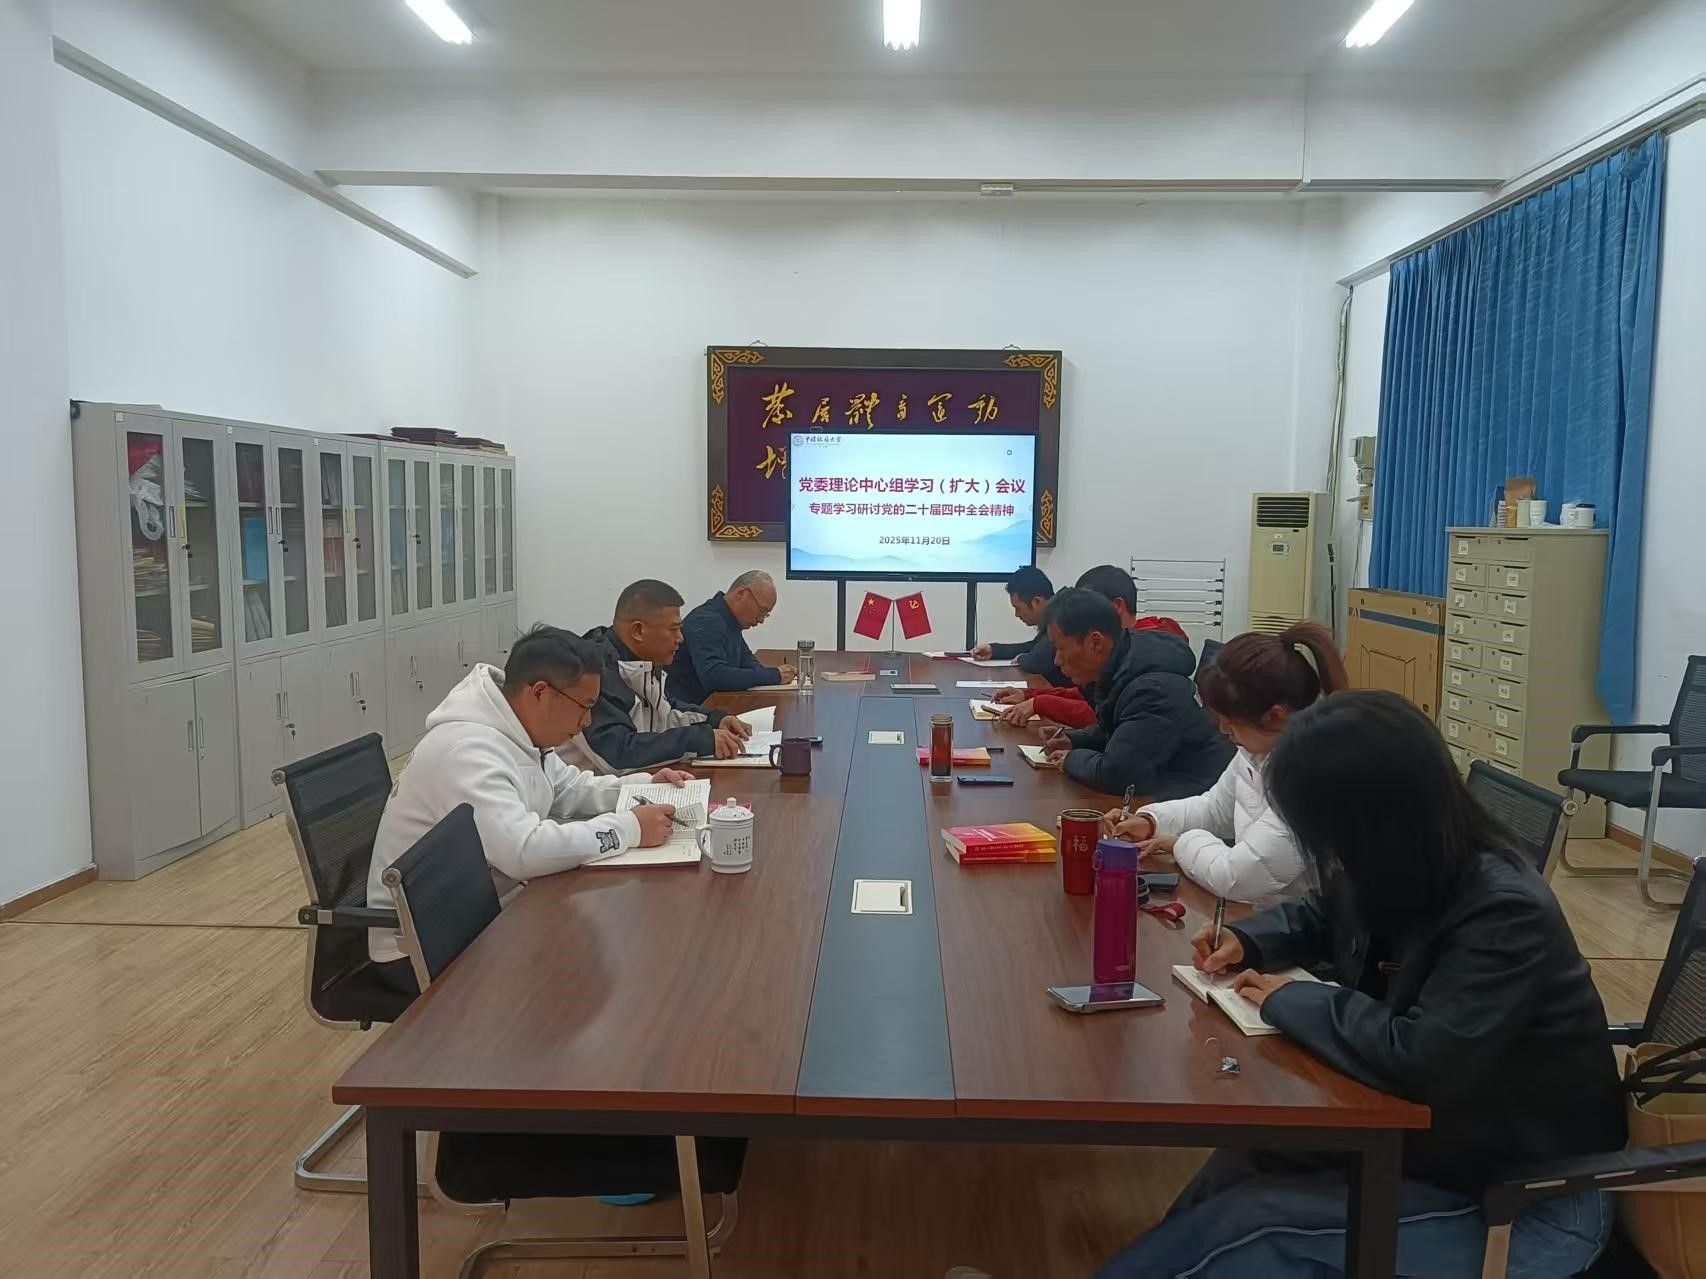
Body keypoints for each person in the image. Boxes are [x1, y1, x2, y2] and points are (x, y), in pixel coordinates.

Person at [1097, 691, 1626, 1279]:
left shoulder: (1504, 912)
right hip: (1445, 1153)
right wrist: (1250, 941)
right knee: (1249, 1157)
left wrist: (1290, 999)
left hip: (1529, 1203)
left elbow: (1421, 1058)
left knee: (1259, 1222)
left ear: (1371, 818)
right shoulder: (1406, 861)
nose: (1325, 850)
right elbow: (1325, 914)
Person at [365, 625, 693, 995]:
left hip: (482, 907)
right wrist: (629, 829)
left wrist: (643, 787)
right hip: (421, 945)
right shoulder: (468, 752)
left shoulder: (517, 729)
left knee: (611, 949)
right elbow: (524, 851)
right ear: (539, 693)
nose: (587, 722)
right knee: (599, 972)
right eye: (585, 707)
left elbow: (567, 788)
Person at [1099, 623, 1347, 903]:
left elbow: (1237, 877)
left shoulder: (1311, 775)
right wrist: (1151, 821)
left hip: (1296, 923)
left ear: (1275, 715)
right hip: (1263, 916)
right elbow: (1215, 809)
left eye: (1231, 719)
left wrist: (1180, 844)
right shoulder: (1259, 749)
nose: (1223, 729)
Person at [1041, 587, 1230, 798]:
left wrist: (1071, 759)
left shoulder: (1153, 690)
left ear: (1095, 642)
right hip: (1165, 791)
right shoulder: (1128, 661)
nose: (1057, 660)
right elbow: (1122, 733)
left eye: (1060, 648)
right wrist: (1075, 740)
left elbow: (1119, 775)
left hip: (1193, 800)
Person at [574, 579, 751, 772]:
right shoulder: (592, 674)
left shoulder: (644, 661)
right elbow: (617, 756)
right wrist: (698, 739)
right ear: (638, 631)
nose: (680, 638)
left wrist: (714, 720)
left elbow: (664, 713)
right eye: (673, 629)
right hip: (590, 786)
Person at [996, 565, 1188, 728]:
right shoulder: (1123, 649)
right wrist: (1030, 695)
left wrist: (1039, 703)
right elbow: (1085, 696)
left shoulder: (1143, 663)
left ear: (1116, 607)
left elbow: (1097, 715)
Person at [667, 570, 796, 703]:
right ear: (742, 594)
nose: (761, 620)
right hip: (692, 710)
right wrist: (775, 675)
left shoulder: (730, 620)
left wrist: (777, 676)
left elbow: (748, 662)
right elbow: (714, 677)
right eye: (762, 611)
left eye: (766, 615)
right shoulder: (707, 620)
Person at [969, 566, 1066, 684]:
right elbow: (1033, 646)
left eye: (1018, 608)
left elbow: (1037, 661)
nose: (1017, 614)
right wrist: (994, 650)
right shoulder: (1056, 612)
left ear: (1036, 601)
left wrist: (1021, 659)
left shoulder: (1062, 616)